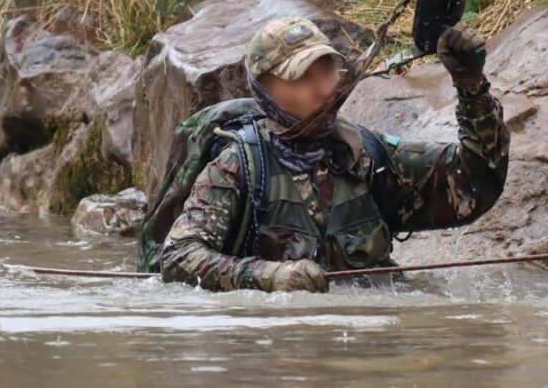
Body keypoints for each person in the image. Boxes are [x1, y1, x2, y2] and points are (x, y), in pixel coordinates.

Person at [160, 17, 510, 293]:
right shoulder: (238, 167)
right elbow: (178, 257)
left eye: (327, 70)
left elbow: (475, 185)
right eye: (302, 77)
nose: (323, 88)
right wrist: (267, 277)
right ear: (265, 90)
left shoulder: (370, 155)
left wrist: (472, 89)